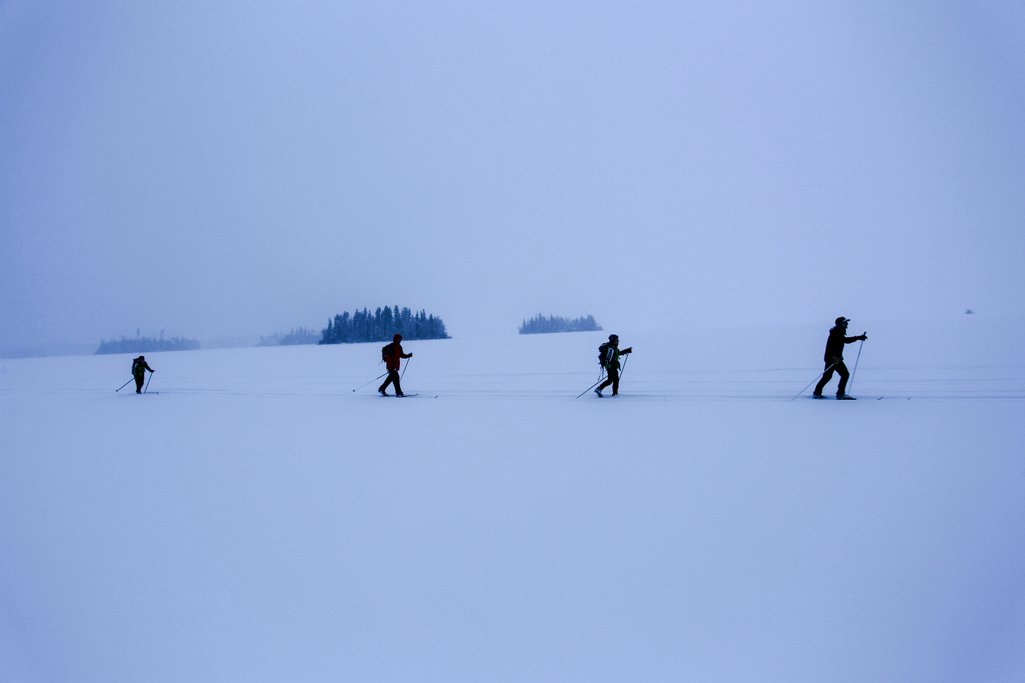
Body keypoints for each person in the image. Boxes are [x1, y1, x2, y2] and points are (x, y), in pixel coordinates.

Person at [813, 316, 867, 400]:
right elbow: (845, 340)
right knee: (844, 374)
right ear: (840, 324)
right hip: (833, 359)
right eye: (845, 322)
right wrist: (858, 337)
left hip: (834, 358)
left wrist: (858, 337)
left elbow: (843, 341)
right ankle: (840, 394)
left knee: (829, 376)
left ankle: (817, 393)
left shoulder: (838, 332)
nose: (847, 324)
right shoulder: (836, 333)